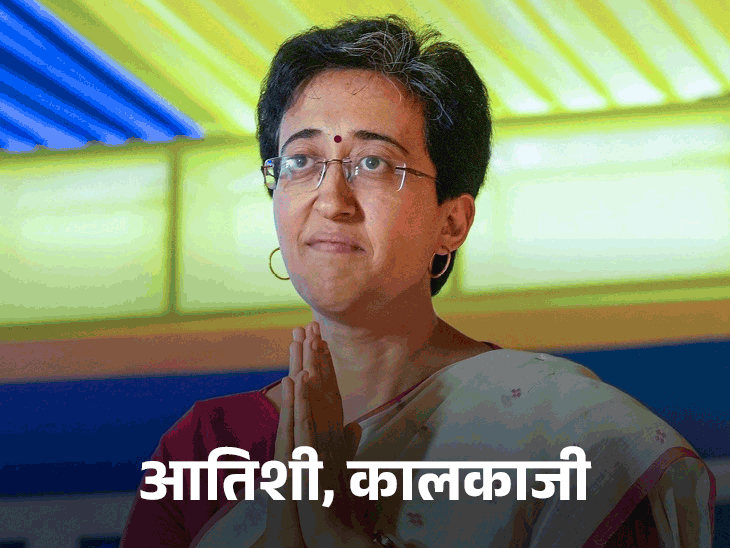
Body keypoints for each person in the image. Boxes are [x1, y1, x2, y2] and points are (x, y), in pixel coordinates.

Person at [121, 16, 716, 548]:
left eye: (374, 163)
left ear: (451, 223)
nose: (331, 200)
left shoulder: (571, 439)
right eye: (301, 161)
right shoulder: (206, 450)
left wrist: (336, 533)